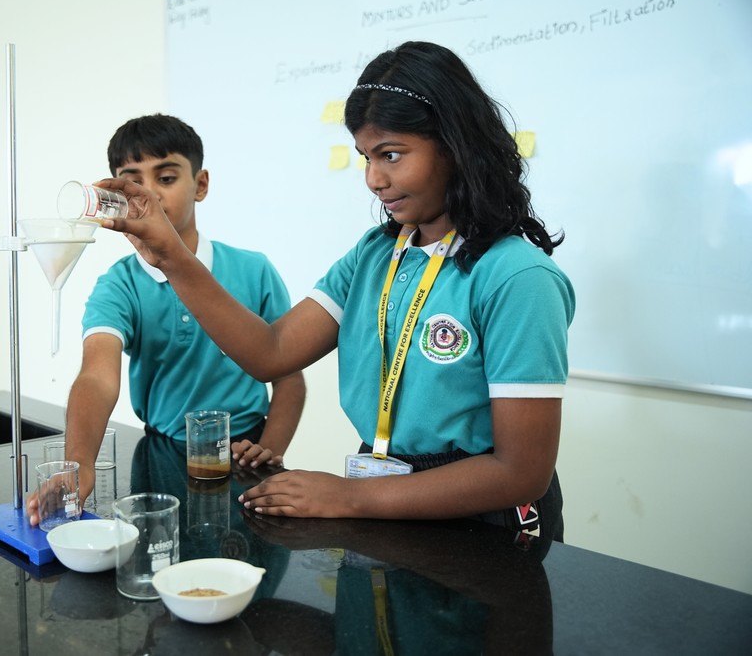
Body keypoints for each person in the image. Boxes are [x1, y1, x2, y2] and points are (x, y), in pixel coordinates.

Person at [95, 42, 575, 541]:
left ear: (456, 145)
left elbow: (520, 472)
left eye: (391, 155)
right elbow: (271, 352)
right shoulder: (375, 255)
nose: (374, 179)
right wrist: (171, 256)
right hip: (387, 494)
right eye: (366, 157)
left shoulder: (517, 277)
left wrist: (348, 496)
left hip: (487, 525)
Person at [28, 114, 306, 526]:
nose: (150, 195)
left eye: (167, 177)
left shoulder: (254, 270)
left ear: (201, 184)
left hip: (247, 453)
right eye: (133, 180)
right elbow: (97, 376)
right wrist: (80, 464)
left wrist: (269, 451)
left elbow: (290, 379)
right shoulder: (119, 285)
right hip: (163, 459)